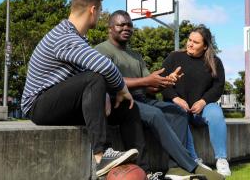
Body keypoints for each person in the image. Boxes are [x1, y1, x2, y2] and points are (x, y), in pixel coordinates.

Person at [21, 0, 145, 177]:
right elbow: (103, 67)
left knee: (128, 106)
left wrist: (105, 93)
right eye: (100, 10)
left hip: (64, 104)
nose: (100, 14)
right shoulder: (64, 36)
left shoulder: (77, 39)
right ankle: (102, 154)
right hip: (38, 105)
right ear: (93, 10)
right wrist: (122, 88)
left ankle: (141, 169)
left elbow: (88, 75)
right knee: (95, 79)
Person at [95, 10, 224, 180]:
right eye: (121, 24)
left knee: (177, 112)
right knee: (155, 114)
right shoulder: (101, 50)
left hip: (142, 99)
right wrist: (147, 80)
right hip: (119, 102)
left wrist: (165, 82)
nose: (126, 27)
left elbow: (150, 87)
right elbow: (106, 81)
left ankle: (175, 169)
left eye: (129, 25)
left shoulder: (135, 55)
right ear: (110, 28)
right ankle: (190, 164)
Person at [162, 25, 232, 176]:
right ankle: (193, 159)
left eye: (195, 42)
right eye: (189, 40)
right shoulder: (173, 57)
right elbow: (162, 83)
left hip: (201, 110)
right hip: (179, 108)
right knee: (178, 112)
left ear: (205, 46)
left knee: (216, 113)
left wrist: (203, 101)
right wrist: (175, 98)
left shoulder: (215, 62)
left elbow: (218, 87)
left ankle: (221, 159)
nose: (190, 44)